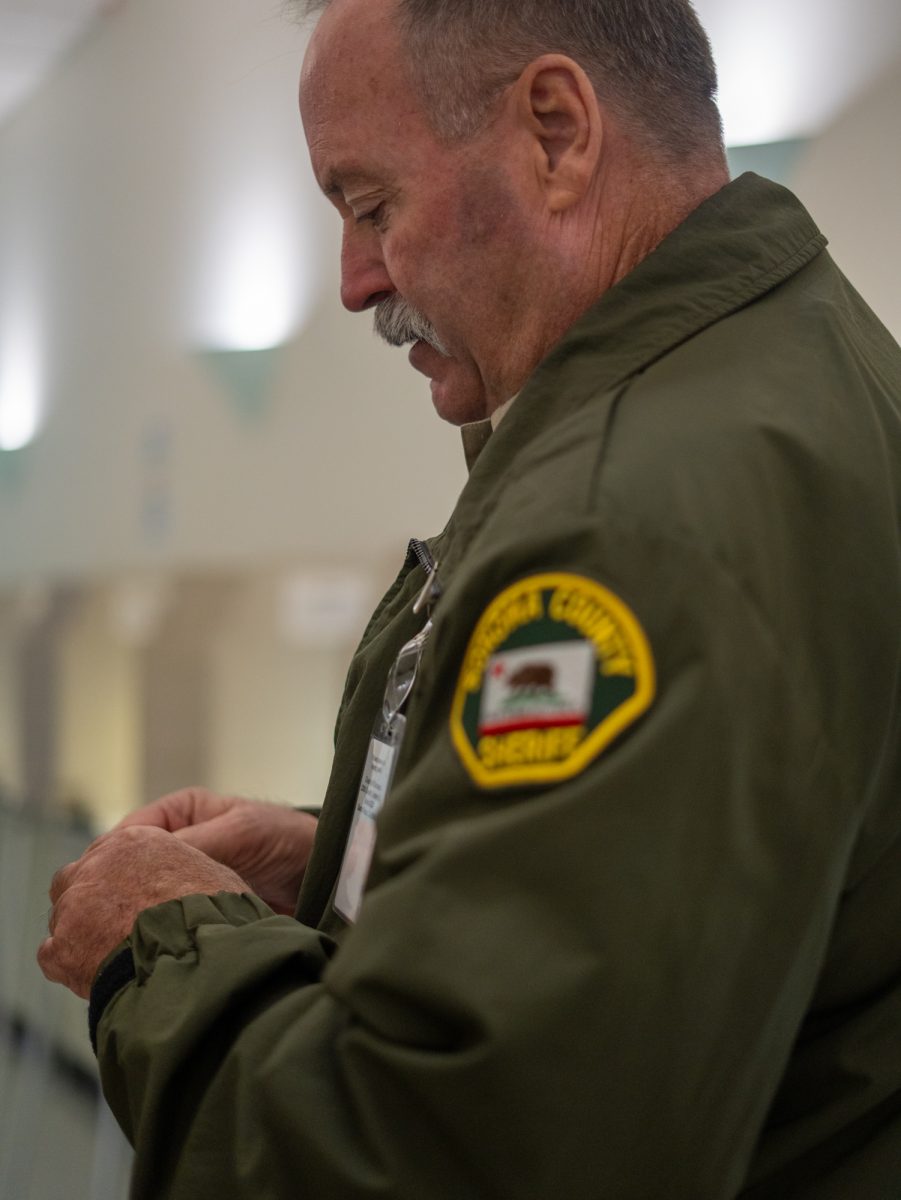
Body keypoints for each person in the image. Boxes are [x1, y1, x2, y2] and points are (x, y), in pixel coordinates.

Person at [38, 0, 901, 1196]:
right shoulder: (806, 368)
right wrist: (370, 855)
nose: (351, 281)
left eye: (370, 205)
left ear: (556, 131)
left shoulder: (630, 523)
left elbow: (437, 1152)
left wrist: (167, 942)